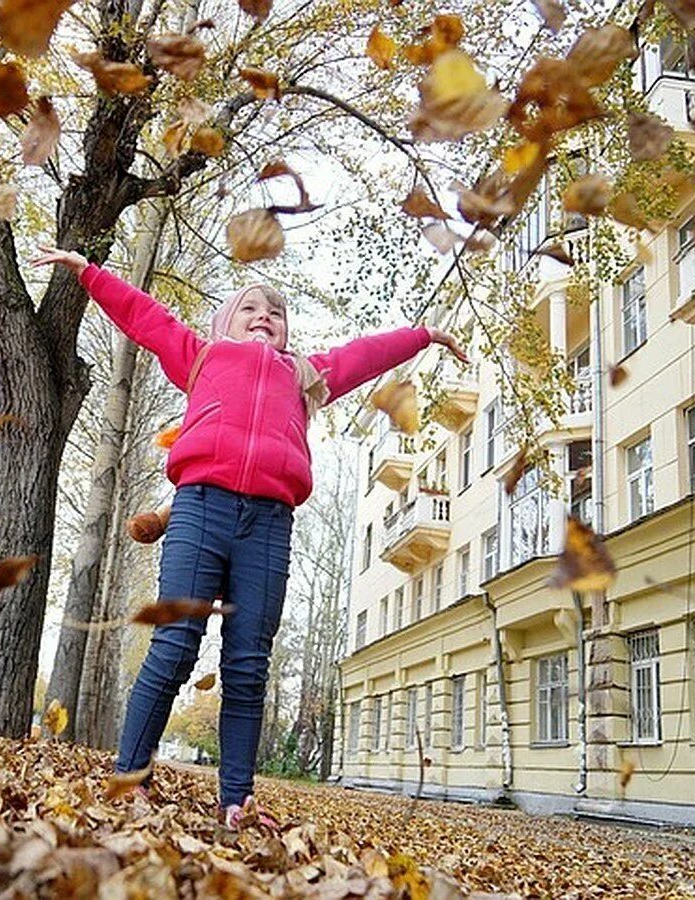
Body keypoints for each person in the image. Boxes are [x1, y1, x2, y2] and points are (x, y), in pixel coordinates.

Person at [31, 245, 468, 829]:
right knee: (175, 646)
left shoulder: (305, 375)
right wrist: (88, 273)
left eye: (277, 312)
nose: (265, 315)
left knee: (248, 664)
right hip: (200, 511)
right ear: (223, 323)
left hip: (267, 525)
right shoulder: (200, 356)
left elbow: (364, 356)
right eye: (250, 308)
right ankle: (129, 775)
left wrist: (423, 336)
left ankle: (236, 799)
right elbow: (143, 315)